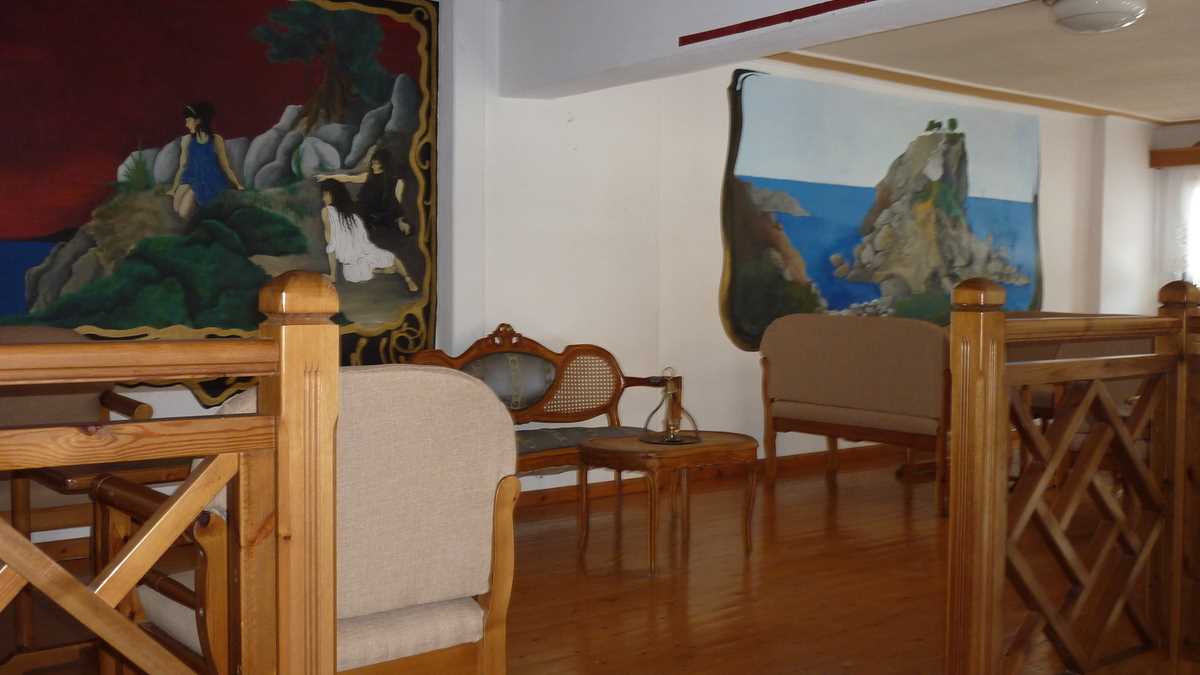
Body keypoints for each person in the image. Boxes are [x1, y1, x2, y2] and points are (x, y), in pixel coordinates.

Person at [319, 180, 418, 291]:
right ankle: (404, 278)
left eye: (325, 194)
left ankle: (384, 272)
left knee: (379, 261)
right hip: (357, 259)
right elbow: (333, 244)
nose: (323, 199)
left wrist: (333, 275)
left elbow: (331, 244)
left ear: (333, 194)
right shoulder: (350, 215)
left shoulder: (329, 212)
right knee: (391, 258)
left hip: (354, 263)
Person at [167, 102, 244, 220]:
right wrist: (173, 189)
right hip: (191, 178)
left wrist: (238, 185)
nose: (186, 125)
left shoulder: (216, 140)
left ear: (198, 121)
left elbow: (225, 167)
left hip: (209, 180)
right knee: (176, 208)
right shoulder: (186, 140)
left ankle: (204, 217)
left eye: (188, 121)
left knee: (183, 213)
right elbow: (182, 167)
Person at [315, 148, 411, 234]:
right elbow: (349, 178)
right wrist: (328, 177)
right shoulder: (369, 176)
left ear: (384, 164)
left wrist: (400, 220)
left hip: (378, 214)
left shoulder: (396, 181)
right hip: (362, 209)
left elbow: (397, 203)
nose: (373, 166)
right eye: (372, 163)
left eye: (376, 164)